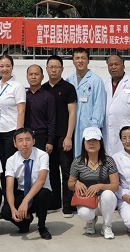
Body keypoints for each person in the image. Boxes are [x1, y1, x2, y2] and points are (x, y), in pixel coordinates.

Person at [68, 126, 119, 239]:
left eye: (95, 140)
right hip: (87, 199)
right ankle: (90, 221)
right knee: (84, 214)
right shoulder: (77, 161)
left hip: (104, 200)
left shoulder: (108, 161)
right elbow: (70, 184)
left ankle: (107, 225)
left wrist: (100, 186)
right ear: (84, 143)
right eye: (88, 140)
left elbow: (115, 186)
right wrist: (76, 184)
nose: (92, 143)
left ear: (100, 143)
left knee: (108, 194)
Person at [0, 127, 52, 239]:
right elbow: (9, 188)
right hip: (22, 192)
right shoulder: (11, 160)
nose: (24, 144)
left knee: (43, 194)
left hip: (38, 192)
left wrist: (25, 201)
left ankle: (42, 227)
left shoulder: (42, 155)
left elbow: (41, 181)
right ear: (15, 144)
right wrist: (13, 208)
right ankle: (25, 221)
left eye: (28, 139)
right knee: (6, 211)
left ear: (33, 141)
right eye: (20, 140)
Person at [43, 55, 78, 217]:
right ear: (47, 69)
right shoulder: (43, 88)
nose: (53, 70)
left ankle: (68, 205)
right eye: (51, 67)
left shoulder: (68, 88)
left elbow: (72, 113)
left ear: (62, 69)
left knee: (67, 171)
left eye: (57, 67)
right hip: (49, 138)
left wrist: (68, 136)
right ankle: (55, 202)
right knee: (52, 171)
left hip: (64, 136)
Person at [0, 54, 27, 190]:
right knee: (1, 166)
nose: (4, 69)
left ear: (12, 67)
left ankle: (14, 197)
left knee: (11, 166)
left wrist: (18, 134)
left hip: (11, 131)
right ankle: (6, 197)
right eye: (1, 66)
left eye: (8, 66)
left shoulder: (17, 86)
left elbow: (21, 110)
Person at [66, 48, 106, 157]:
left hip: (89, 126)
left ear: (88, 60)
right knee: (73, 158)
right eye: (77, 58)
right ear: (73, 61)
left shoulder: (96, 81)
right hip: (72, 127)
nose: (80, 61)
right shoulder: (69, 80)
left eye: (83, 58)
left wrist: (94, 127)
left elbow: (99, 106)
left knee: (89, 157)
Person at [103, 55, 130, 155]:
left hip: (127, 134)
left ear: (123, 66)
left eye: (116, 64)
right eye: (110, 65)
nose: (113, 67)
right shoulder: (105, 84)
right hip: (108, 133)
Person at [24, 65, 55, 152]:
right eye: (31, 74)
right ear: (27, 77)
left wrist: (50, 141)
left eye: (36, 74)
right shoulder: (23, 96)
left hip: (42, 137)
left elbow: (51, 121)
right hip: (26, 136)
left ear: (42, 77)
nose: (33, 77)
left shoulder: (48, 97)